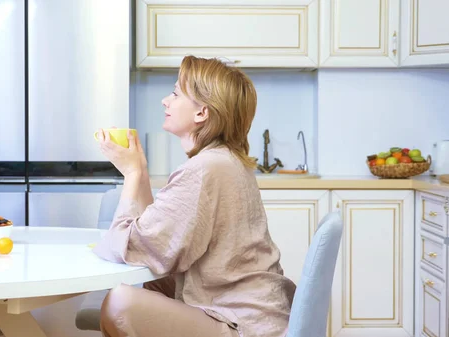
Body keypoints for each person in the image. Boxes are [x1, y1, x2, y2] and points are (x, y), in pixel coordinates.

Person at [92, 55, 296, 337]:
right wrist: (140, 170)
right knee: (147, 290)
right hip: (254, 314)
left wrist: (131, 175)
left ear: (202, 113)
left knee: (119, 303)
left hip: (242, 324)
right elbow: (160, 241)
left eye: (175, 93)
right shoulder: (223, 161)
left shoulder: (205, 168)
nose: (166, 100)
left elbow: (123, 246)